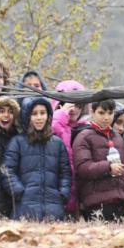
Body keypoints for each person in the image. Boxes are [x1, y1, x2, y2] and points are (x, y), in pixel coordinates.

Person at [3, 97, 71, 221]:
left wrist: (63, 193)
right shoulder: (17, 142)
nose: (39, 118)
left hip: (54, 208)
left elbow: (65, 173)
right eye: (34, 114)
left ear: (48, 116)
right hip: (24, 207)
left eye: (42, 113)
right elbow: (8, 171)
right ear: (27, 117)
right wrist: (19, 192)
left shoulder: (57, 143)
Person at [73, 99, 124, 221]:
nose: (106, 118)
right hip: (96, 201)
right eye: (101, 113)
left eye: (110, 113)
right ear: (92, 112)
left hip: (119, 201)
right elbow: (83, 168)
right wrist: (108, 167)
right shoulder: (84, 136)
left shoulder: (117, 137)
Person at [50, 80, 89, 216]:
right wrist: (61, 114)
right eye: (66, 104)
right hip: (56, 190)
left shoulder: (85, 128)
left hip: (79, 194)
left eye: (77, 104)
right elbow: (53, 129)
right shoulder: (55, 124)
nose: (73, 109)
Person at [0, 97, 21, 217]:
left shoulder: (18, 138)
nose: (6, 115)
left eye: (10, 111)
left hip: (12, 193)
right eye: (1, 111)